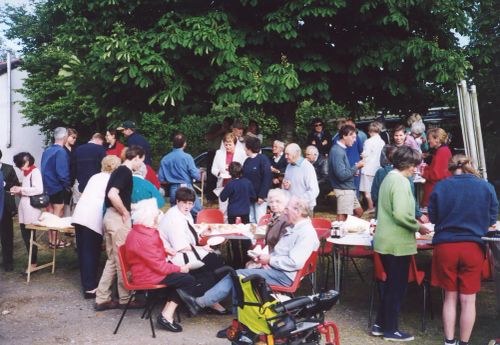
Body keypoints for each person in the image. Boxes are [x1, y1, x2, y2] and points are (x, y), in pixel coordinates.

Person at [176, 197, 320, 325]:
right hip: (279, 270)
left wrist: (269, 260)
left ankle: (202, 304)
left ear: (298, 211)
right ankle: (228, 316)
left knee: (237, 276)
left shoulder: (305, 233)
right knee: (235, 275)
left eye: (287, 209)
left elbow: (295, 262)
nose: (285, 212)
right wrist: (266, 261)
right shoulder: (298, 228)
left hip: (284, 276)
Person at [429, 155, 498, 345]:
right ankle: (464, 342)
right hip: (473, 246)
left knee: (450, 297)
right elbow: (492, 219)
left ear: (450, 168)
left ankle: (449, 342)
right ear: (470, 166)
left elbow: (433, 217)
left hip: (446, 246)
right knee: (468, 300)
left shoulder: (441, 186)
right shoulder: (485, 186)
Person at [372, 146, 430, 341]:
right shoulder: (401, 181)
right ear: (407, 164)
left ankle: (380, 325)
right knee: (396, 288)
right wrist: (419, 227)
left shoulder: (389, 177)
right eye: (415, 165)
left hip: (386, 240)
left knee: (390, 286)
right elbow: (401, 214)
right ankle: (391, 330)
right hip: (396, 243)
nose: (416, 169)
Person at [125, 198, 195, 332]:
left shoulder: (137, 231)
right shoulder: (146, 237)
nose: (158, 217)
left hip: (142, 271)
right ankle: (166, 316)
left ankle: (167, 313)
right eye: (156, 215)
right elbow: (160, 266)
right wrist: (181, 268)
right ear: (149, 217)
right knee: (188, 279)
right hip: (148, 276)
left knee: (181, 278)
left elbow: (146, 255)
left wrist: (164, 250)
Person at [157, 187, 228, 315]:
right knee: (216, 264)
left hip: (182, 252)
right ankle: (203, 298)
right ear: (177, 201)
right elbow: (181, 246)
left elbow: (188, 236)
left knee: (215, 262)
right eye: (184, 202)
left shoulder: (183, 213)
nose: (187, 206)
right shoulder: (174, 218)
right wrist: (202, 248)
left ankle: (208, 298)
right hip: (173, 257)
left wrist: (201, 235)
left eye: (190, 203)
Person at [94, 145, 145, 311]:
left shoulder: (117, 170)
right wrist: (124, 211)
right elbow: (112, 194)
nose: (141, 165)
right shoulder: (125, 172)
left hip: (109, 216)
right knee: (123, 258)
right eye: (141, 161)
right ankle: (125, 298)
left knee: (112, 260)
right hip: (117, 219)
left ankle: (102, 298)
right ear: (136, 157)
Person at [71, 155, 121, 299]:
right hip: (92, 218)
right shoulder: (111, 180)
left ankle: (87, 283)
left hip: (80, 215)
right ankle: (90, 288)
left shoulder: (95, 176)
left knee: (83, 252)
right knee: (90, 253)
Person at [371, 145, 428, 222]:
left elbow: (374, 196)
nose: (415, 169)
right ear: (405, 163)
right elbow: (401, 212)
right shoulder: (402, 180)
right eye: (413, 165)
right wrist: (417, 225)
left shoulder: (385, 174)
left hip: (382, 217)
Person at [10, 152, 43, 273]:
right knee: (25, 236)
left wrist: (21, 189)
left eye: (20, 164)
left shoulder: (35, 172)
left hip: (31, 208)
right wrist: (18, 191)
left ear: (27, 161)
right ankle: (32, 261)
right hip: (24, 207)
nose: (19, 167)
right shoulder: (26, 173)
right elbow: (26, 190)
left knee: (30, 237)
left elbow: (38, 189)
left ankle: (33, 263)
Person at [158, 133, 202, 218]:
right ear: (184, 143)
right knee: (197, 212)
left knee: (176, 214)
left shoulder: (165, 158)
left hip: (173, 189)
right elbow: (195, 175)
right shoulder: (187, 157)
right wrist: (198, 173)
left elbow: (161, 178)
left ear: (172, 143)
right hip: (186, 188)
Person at [41, 127, 71, 248]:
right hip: (57, 186)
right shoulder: (61, 151)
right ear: (64, 138)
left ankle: (51, 240)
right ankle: (56, 241)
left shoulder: (47, 150)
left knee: (51, 214)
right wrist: (67, 186)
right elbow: (62, 173)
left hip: (47, 186)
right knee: (57, 214)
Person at [329, 125, 365, 221]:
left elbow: (343, 171)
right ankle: (337, 233)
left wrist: (354, 171)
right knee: (342, 218)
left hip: (347, 187)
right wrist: (356, 167)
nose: (354, 140)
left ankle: (346, 228)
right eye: (353, 137)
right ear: (344, 136)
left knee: (359, 212)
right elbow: (341, 175)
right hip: (343, 189)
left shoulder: (340, 149)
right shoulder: (337, 151)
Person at [211, 132, 247, 220]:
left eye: (230, 144)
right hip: (223, 185)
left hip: (237, 185)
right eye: (226, 144)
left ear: (235, 144)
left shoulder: (242, 153)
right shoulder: (219, 153)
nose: (227, 147)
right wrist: (220, 173)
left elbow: (244, 169)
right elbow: (213, 169)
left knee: (235, 210)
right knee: (223, 210)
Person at [242, 136, 272, 224]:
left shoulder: (263, 159)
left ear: (249, 148)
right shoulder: (247, 161)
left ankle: (261, 238)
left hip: (260, 198)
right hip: (249, 197)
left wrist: (262, 195)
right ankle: (252, 238)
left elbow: (267, 178)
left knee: (260, 219)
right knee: (251, 220)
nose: (244, 149)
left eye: (245, 146)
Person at [282, 143, 319, 210]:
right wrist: (285, 185)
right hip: (290, 207)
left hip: (304, 208)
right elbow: (285, 184)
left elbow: (314, 190)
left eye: (288, 154)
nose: (285, 157)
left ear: (296, 154)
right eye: (285, 154)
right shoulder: (289, 166)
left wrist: (298, 201)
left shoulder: (307, 167)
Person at [421, 128, 452, 208]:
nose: (428, 141)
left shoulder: (442, 152)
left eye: (429, 139)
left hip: (436, 190)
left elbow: (436, 175)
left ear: (437, 139)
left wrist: (423, 172)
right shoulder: (441, 150)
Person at [205, 117, 233, 201]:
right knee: (211, 174)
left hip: (225, 153)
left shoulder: (230, 133)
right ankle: (210, 196)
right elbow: (207, 137)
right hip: (213, 153)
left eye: (227, 124)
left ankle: (221, 194)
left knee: (224, 173)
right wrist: (220, 131)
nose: (225, 125)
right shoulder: (216, 127)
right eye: (225, 123)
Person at [0, 150, 20, 271]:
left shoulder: (8, 168)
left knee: (7, 236)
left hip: (5, 207)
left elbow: (16, 184)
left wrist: (6, 184)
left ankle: (8, 262)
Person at [333, 119, 364, 195]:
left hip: (346, 166)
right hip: (354, 164)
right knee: (354, 188)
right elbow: (361, 149)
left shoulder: (336, 139)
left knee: (346, 189)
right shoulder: (355, 137)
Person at [360, 122, 385, 213]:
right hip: (378, 168)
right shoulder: (382, 142)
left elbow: (365, 155)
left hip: (368, 168)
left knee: (367, 191)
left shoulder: (368, 141)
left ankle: (371, 207)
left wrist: (361, 155)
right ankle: (378, 207)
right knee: (377, 189)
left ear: (370, 131)